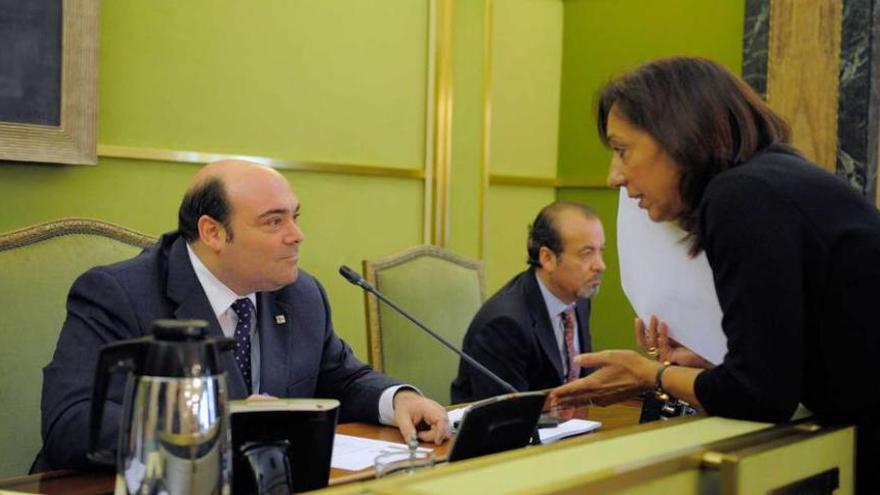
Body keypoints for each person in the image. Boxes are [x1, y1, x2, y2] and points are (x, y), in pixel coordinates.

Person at [548, 56, 880, 492]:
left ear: (677, 134)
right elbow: (787, 369)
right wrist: (707, 369)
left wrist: (648, 374)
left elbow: (760, 397)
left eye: (622, 150)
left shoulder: (738, 196)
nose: (614, 177)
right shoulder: (769, 178)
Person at [37, 160, 449, 471]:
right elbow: (71, 424)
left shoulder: (300, 294)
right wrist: (217, 424)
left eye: (295, 216)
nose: (296, 234)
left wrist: (398, 400)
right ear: (212, 232)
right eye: (274, 222)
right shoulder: (119, 295)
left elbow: (341, 375)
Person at [451, 202, 605, 403]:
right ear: (547, 258)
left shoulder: (578, 299)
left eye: (601, 251)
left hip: (571, 426)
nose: (601, 265)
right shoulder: (504, 324)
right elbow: (506, 417)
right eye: (586, 253)